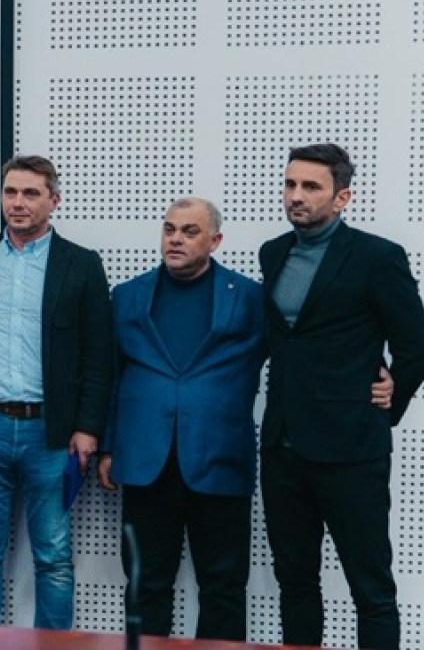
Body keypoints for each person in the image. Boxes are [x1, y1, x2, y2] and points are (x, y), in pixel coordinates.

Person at [260, 143, 424, 649]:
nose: (296, 195)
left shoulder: (378, 257)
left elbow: (418, 347)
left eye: (310, 186)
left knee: (370, 588)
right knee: (295, 583)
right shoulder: (273, 252)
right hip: (282, 445)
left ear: (342, 198)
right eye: (290, 184)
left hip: (351, 448)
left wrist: (387, 402)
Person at [97, 197, 267, 640]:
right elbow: (111, 376)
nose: (175, 239)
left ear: (215, 241)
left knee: (224, 588)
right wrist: (108, 447)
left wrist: (375, 372)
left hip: (220, 459)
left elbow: (298, 354)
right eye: (170, 229)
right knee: (145, 587)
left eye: (190, 232)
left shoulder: (249, 298)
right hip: (145, 461)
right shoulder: (127, 296)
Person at [0, 155, 112, 629]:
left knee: (54, 557)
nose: (18, 203)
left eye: (30, 193)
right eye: (10, 192)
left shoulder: (81, 264)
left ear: (54, 201)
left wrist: (88, 428)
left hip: (52, 433)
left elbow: (99, 355)